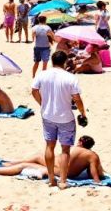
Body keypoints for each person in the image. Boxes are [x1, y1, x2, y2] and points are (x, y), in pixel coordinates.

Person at [31, 50, 88, 189]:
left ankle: (51, 179)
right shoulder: (70, 77)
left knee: (49, 146)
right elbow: (77, 98)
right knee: (65, 150)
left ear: (52, 61)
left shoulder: (42, 75)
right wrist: (82, 113)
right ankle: (62, 181)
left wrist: (43, 104)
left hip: (48, 115)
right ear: (65, 62)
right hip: (66, 117)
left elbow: (33, 91)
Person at [0, 135, 105, 183]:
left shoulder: (77, 149)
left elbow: (95, 176)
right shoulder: (92, 155)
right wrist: (98, 180)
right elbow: (94, 173)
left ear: (80, 142)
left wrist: (97, 181)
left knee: (33, 160)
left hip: (60, 171)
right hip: (62, 170)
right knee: (30, 162)